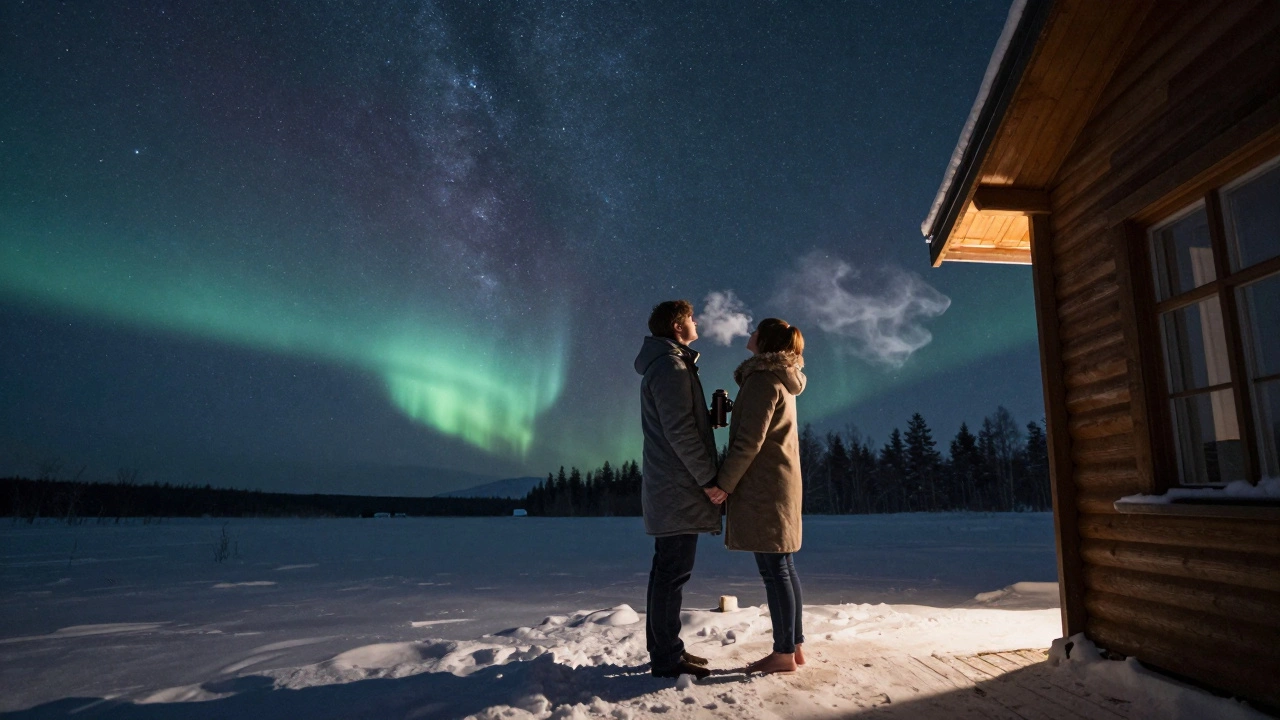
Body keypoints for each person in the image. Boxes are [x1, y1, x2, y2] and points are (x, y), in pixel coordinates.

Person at [634, 300, 729, 680]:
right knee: (672, 574)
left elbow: (680, 421)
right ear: (677, 326)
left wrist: (708, 418)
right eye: (691, 317)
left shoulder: (670, 365)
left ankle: (665, 651)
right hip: (678, 488)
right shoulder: (672, 367)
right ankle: (667, 660)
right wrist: (709, 480)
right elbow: (679, 432)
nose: (696, 322)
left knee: (667, 573)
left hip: (672, 486)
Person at [716, 317, 807, 675]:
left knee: (775, 571)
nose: (748, 333)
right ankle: (795, 645)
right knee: (783, 566)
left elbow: (748, 442)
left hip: (765, 487)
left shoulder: (762, 379)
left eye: (754, 329)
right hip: (780, 482)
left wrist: (724, 484)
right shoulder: (782, 379)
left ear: (763, 340)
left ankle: (784, 653)